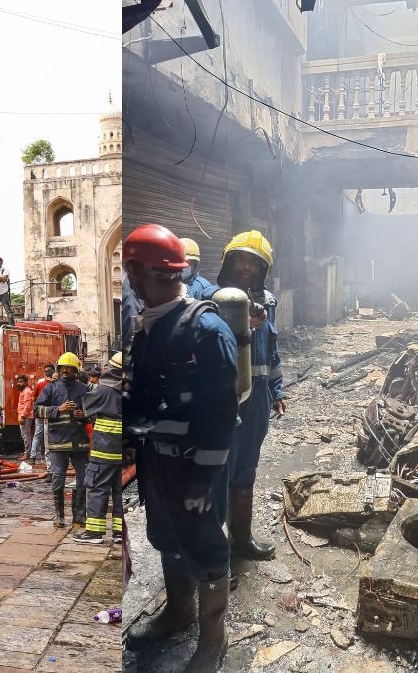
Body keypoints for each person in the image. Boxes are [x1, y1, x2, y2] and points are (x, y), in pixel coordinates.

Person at [120, 223, 239, 671]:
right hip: (157, 463)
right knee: (167, 538)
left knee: (206, 546)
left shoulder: (205, 329)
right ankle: (179, 610)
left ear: (147, 272)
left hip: (193, 469)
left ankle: (213, 642)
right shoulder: (148, 326)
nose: (130, 280)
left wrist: (205, 479)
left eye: (132, 271)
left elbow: (222, 413)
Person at [215, 230, 284, 564]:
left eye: (254, 262)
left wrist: (277, 390)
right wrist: (247, 327)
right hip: (226, 399)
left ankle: (242, 540)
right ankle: (216, 556)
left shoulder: (269, 302)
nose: (246, 267)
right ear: (229, 261)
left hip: (257, 400)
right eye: (241, 259)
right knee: (219, 476)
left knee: (246, 472)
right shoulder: (215, 300)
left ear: (263, 269)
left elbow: (272, 352)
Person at [74, 352, 133, 545]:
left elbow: (86, 409)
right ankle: (118, 533)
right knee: (118, 490)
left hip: (104, 449)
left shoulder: (103, 391)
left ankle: (94, 533)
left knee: (97, 487)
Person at [34, 353, 90, 528]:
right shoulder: (50, 388)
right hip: (58, 441)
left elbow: (93, 414)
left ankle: (79, 516)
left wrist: (84, 415)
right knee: (58, 478)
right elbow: (36, 410)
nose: (65, 371)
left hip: (79, 442)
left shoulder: (84, 390)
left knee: (84, 478)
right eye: (62, 368)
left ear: (75, 369)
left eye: (69, 368)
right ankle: (59, 515)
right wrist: (58, 409)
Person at [29, 364, 56, 465]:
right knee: (49, 437)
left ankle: (33, 456)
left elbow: (33, 398)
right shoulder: (56, 385)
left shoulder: (40, 384)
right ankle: (49, 459)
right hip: (52, 414)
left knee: (37, 435)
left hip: (40, 413)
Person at [16, 374, 37, 459]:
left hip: (26, 416)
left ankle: (27, 454)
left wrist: (23, 416)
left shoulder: (26, 391)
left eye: (21, 382)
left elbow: (28, 405)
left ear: (25, 382)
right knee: (27, 435)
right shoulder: (24, 391)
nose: (19, 383)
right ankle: (27, 453)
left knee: (26, 435)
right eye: (18, 382)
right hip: (25, 416)